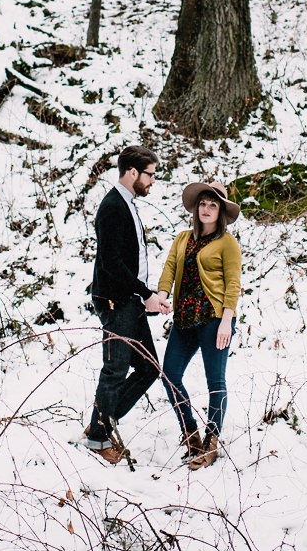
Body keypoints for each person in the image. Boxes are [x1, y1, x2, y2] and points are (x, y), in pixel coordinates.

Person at [83, 144, 169, 465]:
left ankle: (101, 422)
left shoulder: (127, 204)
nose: (153, 181)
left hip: (130, 299)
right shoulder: (112, 207)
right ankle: (98, 439)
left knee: (149, 368)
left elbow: (130, 260)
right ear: (132, 172)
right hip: (116, 301)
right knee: (116, 369)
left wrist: (146, 294)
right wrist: (142, 292)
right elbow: (111, 263)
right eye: (150, 175)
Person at [155, 181, 242, 470]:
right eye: (203, 204)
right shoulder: (182, 238)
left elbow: (233, 284)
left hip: (214, 320)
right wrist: (163, 295)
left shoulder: (227, 243)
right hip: (184, 319)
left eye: (213, 205)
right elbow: (169, 268)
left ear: (221, 212)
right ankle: (190, 432)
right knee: (170, 375)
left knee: (215, 383)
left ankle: (211, 442)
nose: (206, 209)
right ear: (196, 208)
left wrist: (227, 321)